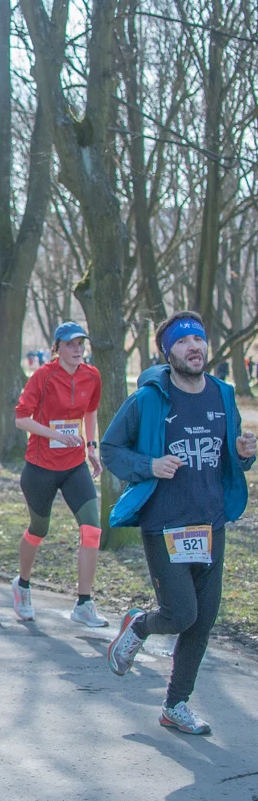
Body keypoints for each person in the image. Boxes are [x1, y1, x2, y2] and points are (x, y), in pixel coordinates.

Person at [103, 311, 256, 735]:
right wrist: (150, 464)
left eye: (200, 340)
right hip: (167, 525)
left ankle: (176, 705)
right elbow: (111, 449)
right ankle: (138, 626)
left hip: (210, 524)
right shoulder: (149, 399)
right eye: (184, 342)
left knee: (202, 622)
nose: (195, 347)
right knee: (180, 614)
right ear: (167, 351)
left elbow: (231, 456)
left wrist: (244, 452)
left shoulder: (223, 395)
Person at [9, 322, 107, 627]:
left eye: (81, 344)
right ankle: (22, 586)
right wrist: (55, 433)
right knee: (39, 529)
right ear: (57, 348)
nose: (77, 350)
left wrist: (91, 445)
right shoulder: (43, 376)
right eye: (70, 344)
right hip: (40, 467)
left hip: (74, 464)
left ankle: (84, 603)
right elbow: (21, 419)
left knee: (92, 529)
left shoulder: (92, 376)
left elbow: (90, 410)